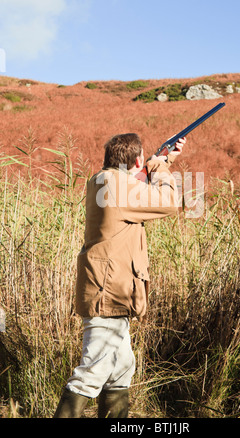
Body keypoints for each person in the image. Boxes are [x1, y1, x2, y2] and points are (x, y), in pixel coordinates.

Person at [53, 133, 186, 418]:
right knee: (91, 372)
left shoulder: (103, 180)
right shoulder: (117, 186)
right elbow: (168, 201)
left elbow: (135, 189)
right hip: (109, 290)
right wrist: (159, 167)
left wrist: (160, 161)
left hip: (110, 287)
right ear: (136, 160)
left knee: (121, 368)